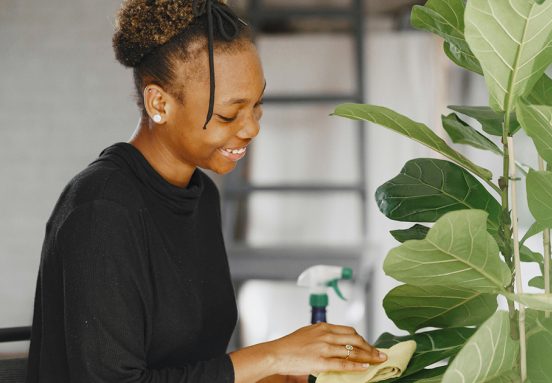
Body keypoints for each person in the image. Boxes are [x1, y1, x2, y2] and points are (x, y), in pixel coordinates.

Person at [24, 0, 386, 382]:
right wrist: (270, 358)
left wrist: (273, 373)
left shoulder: (201, 196)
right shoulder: (103, 209)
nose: (251, 129)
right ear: (159, 103)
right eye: (229, 114)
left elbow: (191, 365)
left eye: (257, 106)